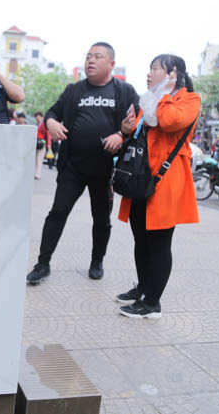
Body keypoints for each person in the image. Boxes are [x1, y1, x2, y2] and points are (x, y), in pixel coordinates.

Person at [26, 42, 139, 284]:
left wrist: (121, 135)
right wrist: (52, 123)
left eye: (97, 57)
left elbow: (138, 124)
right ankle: (42, 263)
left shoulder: (124, 92)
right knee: (57, 212)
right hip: (73, 167)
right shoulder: (74, 90)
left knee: (101, 219)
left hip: (105, 169)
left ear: (111, 64)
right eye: (88, 56)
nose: (90, 60)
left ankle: (97, 260)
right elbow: (52, 113)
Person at [116, 54, 200, 319]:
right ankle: (143, 289)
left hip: (166, 180)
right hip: (141, 177)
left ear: (173, 74)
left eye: (155, 69)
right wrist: (126, 128)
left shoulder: (189, 99)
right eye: (149, 68)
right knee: (141, 239)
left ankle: (152, 303)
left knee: (159, 243)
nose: (149, 74)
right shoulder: (148, 101)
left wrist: (163, 93)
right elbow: (141, 133)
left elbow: (169, 121)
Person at [34, 111, 49, 179]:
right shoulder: (37, 124)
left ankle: (37, 174)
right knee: (35, 159)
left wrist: (49, 144)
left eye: (37, 117)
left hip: (42, 144)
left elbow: (48, 134)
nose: (36, 118)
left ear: (40, 116)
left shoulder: (44, 123)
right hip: (36, 143)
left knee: (39, 159)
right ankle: (35, 173)